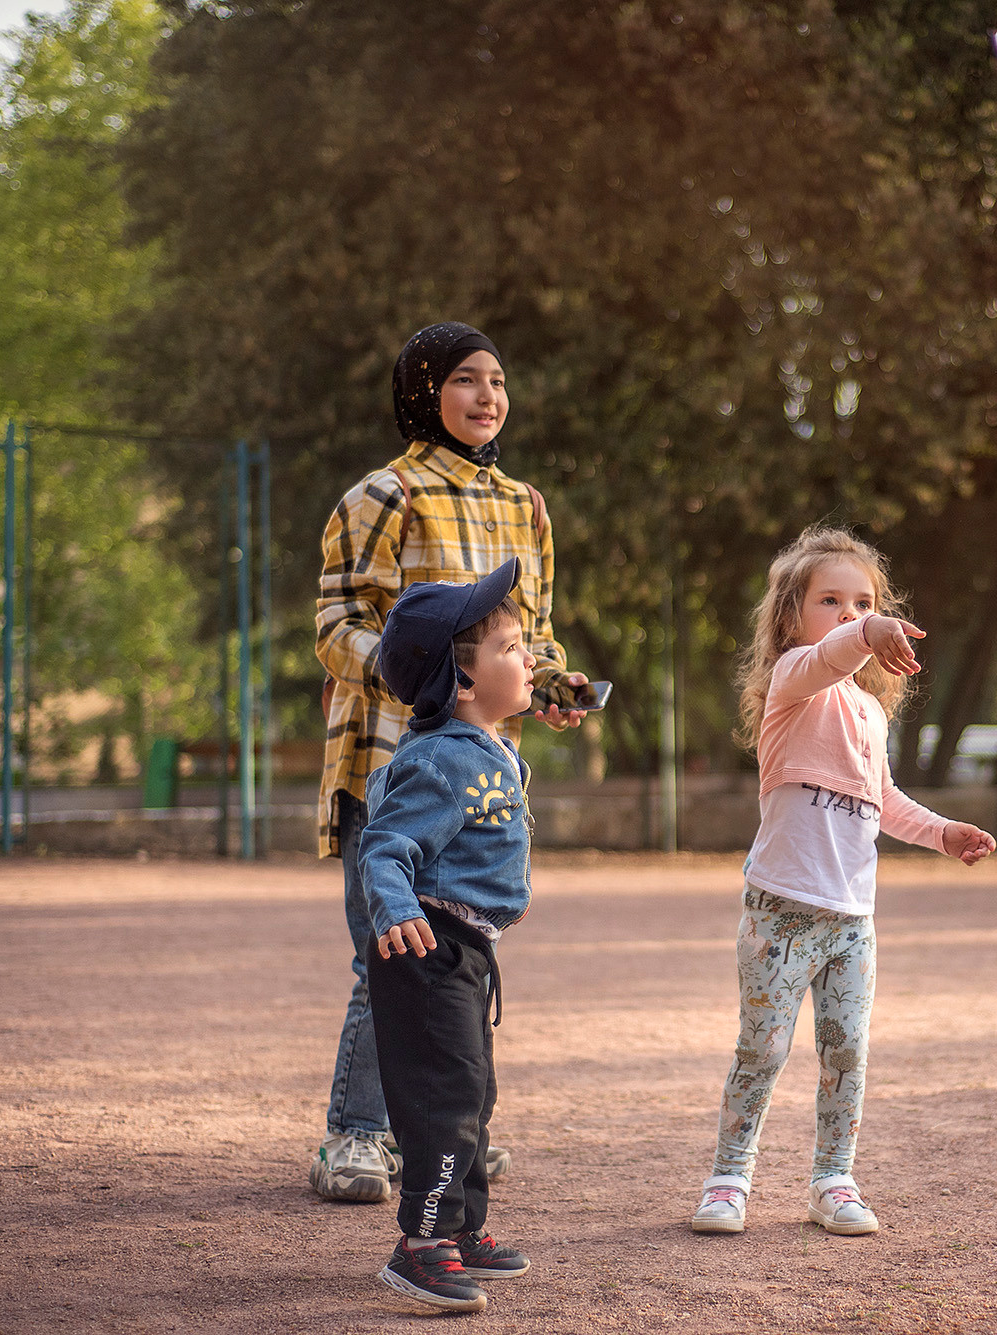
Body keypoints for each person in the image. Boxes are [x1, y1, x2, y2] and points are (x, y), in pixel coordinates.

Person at [312, 322, 587, 1202]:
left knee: (464, 947)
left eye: (499, 380)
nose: (488, 396)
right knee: (384, 952)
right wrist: (416, 676)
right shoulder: (382, 495)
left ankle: (451, 1135)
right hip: (392, 757)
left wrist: (548, 681)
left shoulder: (526, 506)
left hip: (481, 771)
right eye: (466, 379)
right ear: (424, 391)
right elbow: (335, 625)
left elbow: (531, 633)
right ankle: (357, 1139)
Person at [689, 526, 996, 1237]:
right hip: (779, 913)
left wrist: (943, 831)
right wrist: (869, 631)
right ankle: (729, 1177)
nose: (850, 613)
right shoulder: (793, 684)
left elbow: (882, 801)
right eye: (832, 600)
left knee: (846, 1050)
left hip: (852, 922)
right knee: (761, 1050)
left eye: (864, 601)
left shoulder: (867, 711)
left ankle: (833, 1177)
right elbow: (829, 655)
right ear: (793, 617)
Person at [361, 559, 537, 1312]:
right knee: (443, 1095)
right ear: (462, 682)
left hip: (468, 950)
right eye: (510, 647)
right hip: (426, 947)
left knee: (473, 1090)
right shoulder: (436, 759)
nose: (528, 656)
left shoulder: (484, 745)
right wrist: (395, 908)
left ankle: (460, 1229)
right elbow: (384, 845)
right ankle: (421, 1241)